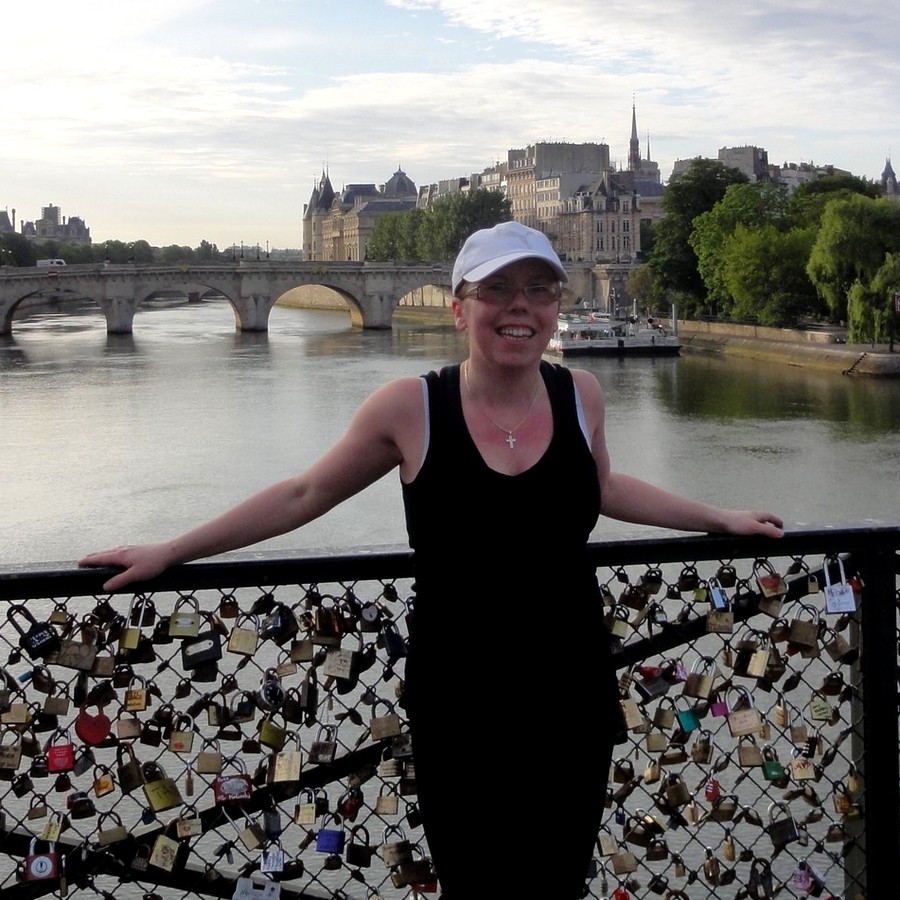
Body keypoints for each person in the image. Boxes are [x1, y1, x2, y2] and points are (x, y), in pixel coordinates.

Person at [80, 221, 783, 899]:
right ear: (459, 308)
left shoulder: (581, 394)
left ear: (556, 307)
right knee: (477, 883)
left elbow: (602, 487)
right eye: (497, 290)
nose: (521, 306)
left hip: (570, 691)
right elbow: (304, 493)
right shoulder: (410, 407)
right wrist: (173, 550)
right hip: (460, 699)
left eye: (539, 290)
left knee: (558, 878)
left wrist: (718, 517)